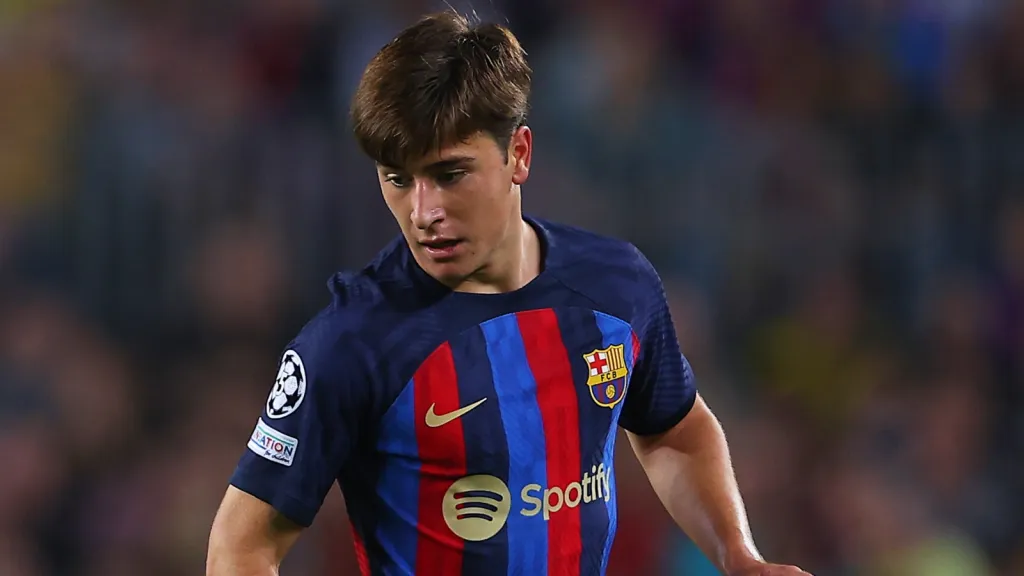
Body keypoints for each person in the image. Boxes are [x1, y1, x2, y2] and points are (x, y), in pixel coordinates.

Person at [207, 11, 811, 576]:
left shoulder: (615, 287)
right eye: (398, 179)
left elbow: (674, 429)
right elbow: (242, 542)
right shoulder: (352, 341)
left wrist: (739, 556)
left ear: (518, 154)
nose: (423, 213)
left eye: (449, 175)